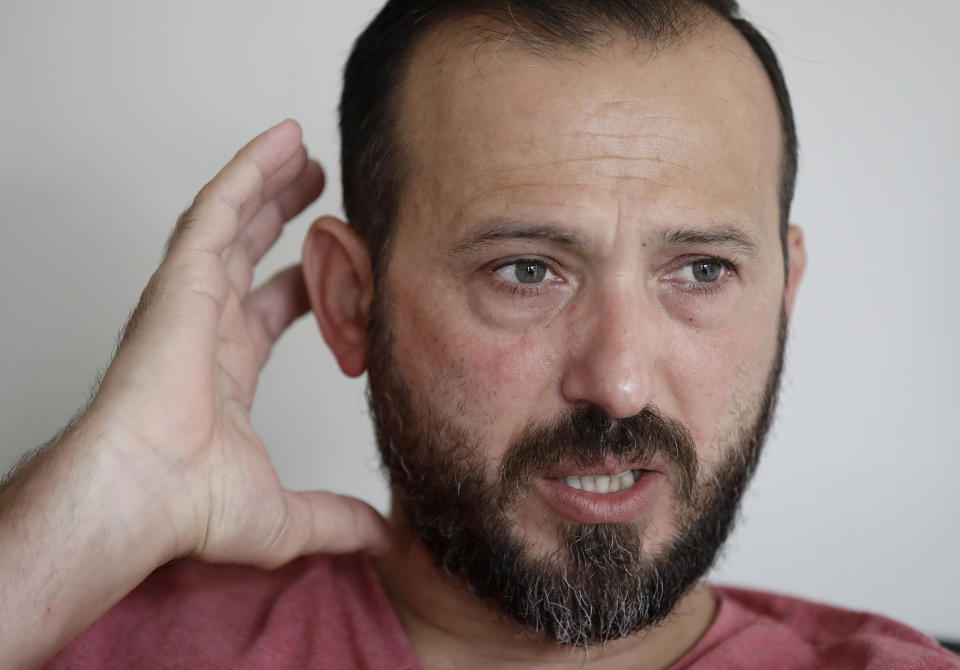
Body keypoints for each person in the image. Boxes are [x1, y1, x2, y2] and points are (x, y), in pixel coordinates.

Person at [1, 0, 957, 668]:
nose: (619, 382)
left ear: (785, 293)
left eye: (701, 271)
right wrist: (100, 500)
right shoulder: (78, 631)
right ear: (348, 302)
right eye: (526, 270)